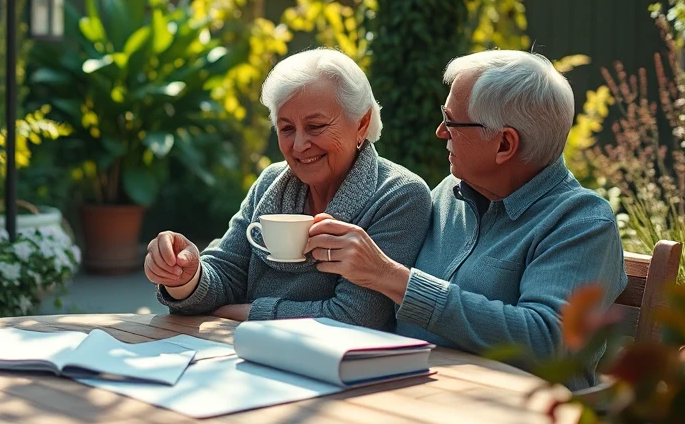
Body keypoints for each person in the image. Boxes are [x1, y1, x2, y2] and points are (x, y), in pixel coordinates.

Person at [303, 50, 627, 388]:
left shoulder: (581, 223)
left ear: (504, 143)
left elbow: (547, 342)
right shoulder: (448, 193)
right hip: (410, 400)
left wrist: (393, 278)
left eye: (452, 121)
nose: (440, 132)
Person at [144, 48, 432, 329]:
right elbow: (226, 274)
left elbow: (353, 317)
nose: (298, 145)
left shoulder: (399, 195)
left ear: (361, 123)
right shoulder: (272, 183)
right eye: (286, 128)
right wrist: (185, 276)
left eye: (316, 126)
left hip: (344, 368)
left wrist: (247, 312)